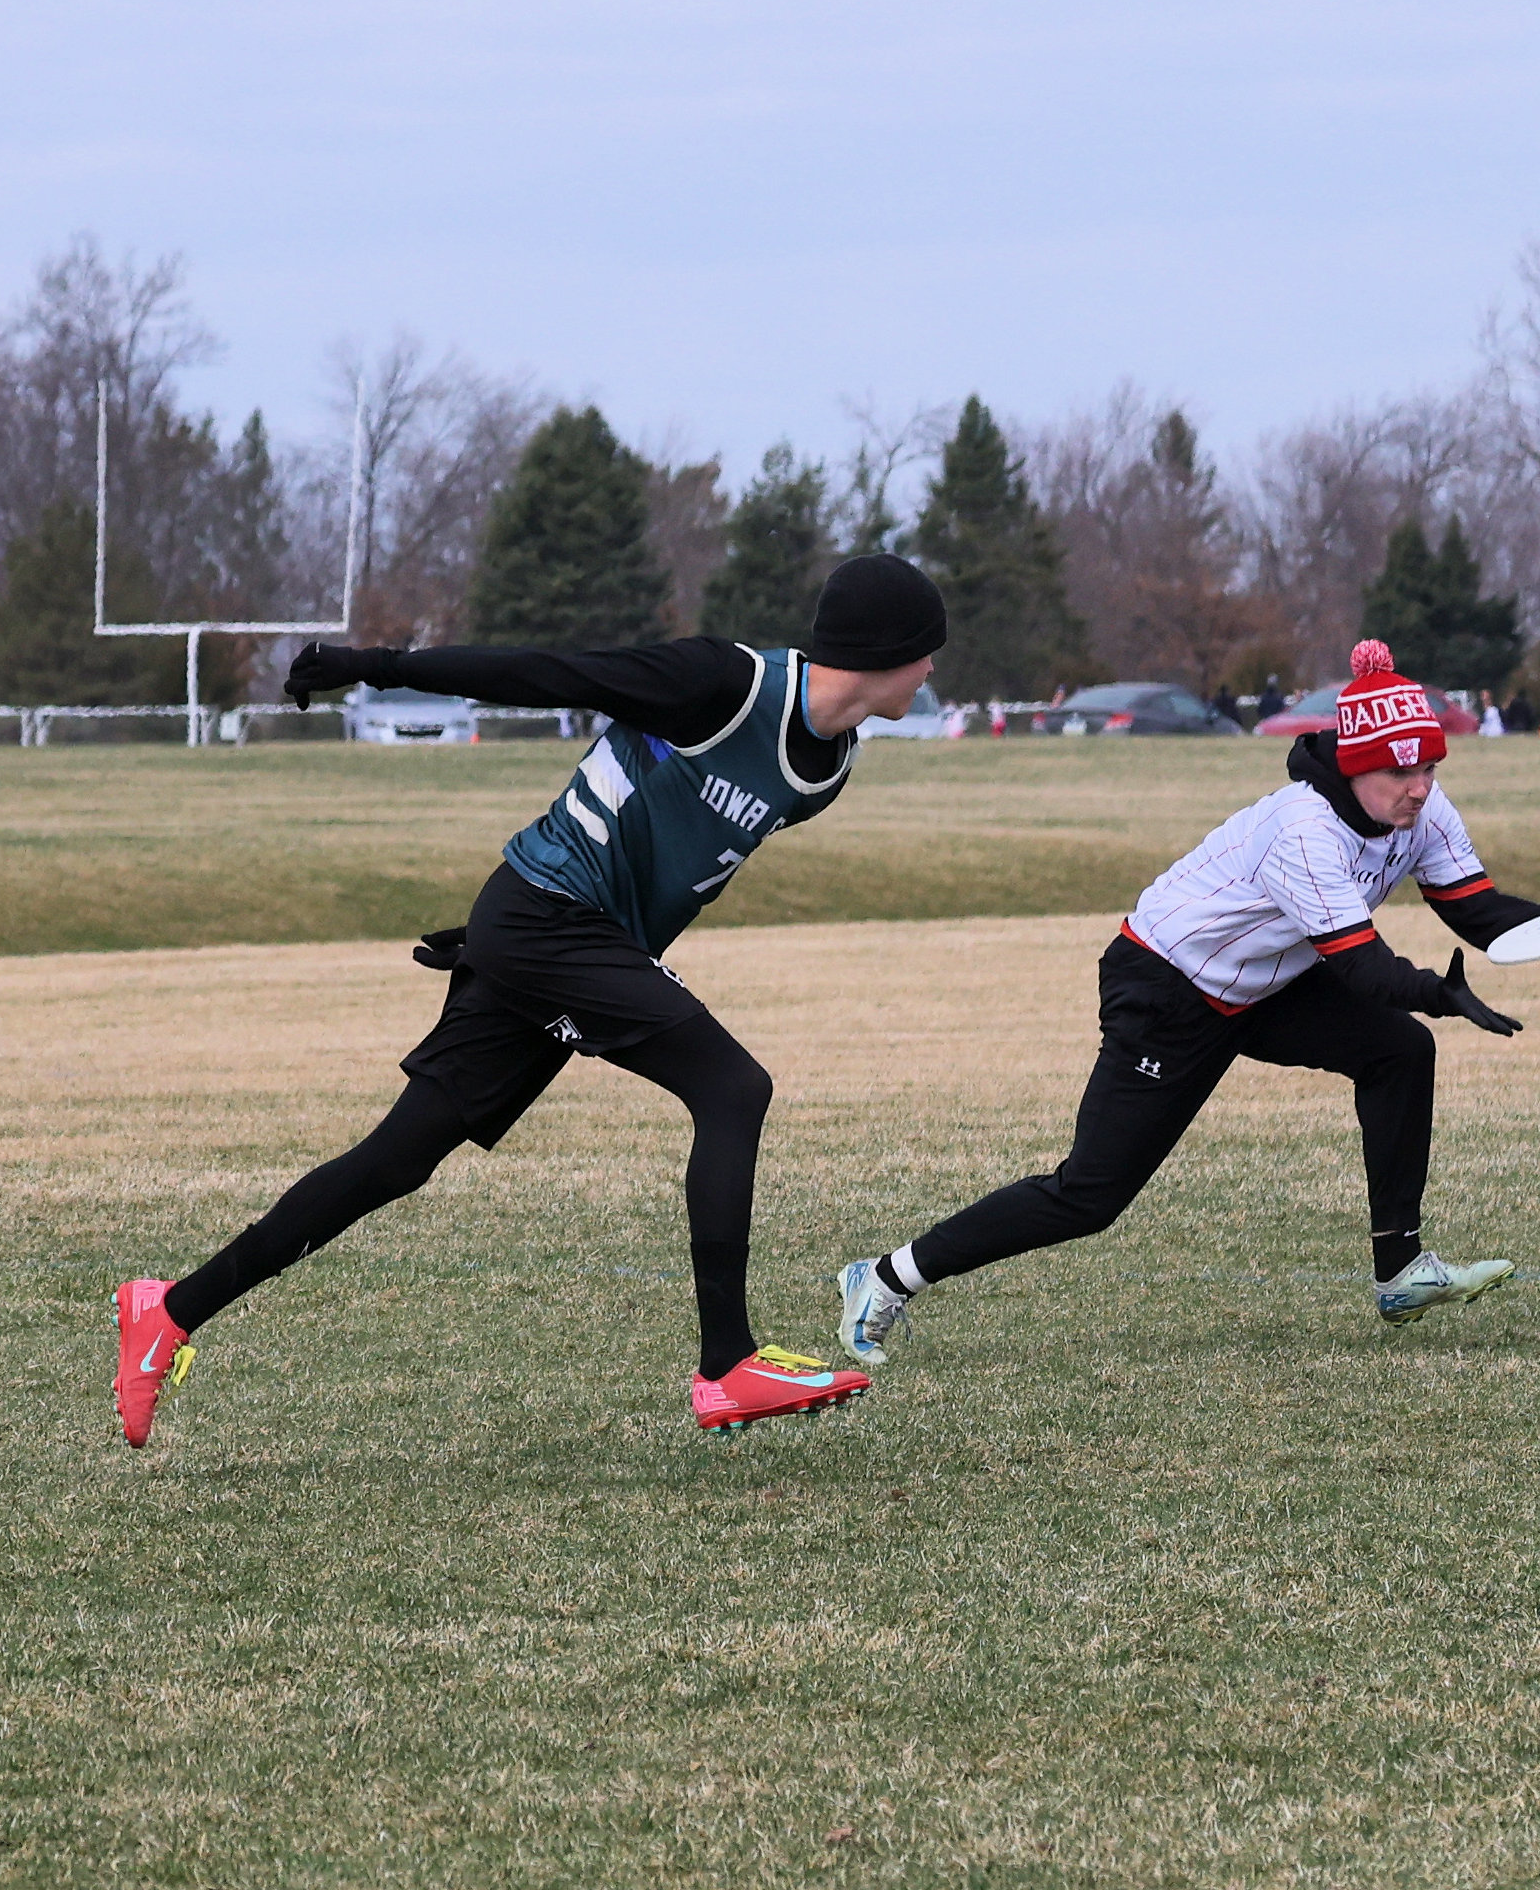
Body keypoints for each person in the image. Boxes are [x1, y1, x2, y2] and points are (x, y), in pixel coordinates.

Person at [110, 554, 947, 1447]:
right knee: (733, 1087)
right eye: (925, 650)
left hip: (548, 936)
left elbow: (657, 861)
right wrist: (377, 666)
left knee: (397, 1160)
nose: (933, 668)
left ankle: (169, 1310)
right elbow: (549, 672)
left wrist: (504, 949)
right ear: (882, 652)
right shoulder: (723, 684)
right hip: (547, 920)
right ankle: (726, 1366)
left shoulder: (826, 769)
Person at [832, 641, 1540, 1368]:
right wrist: (1438, 992)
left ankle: (1399, 1272)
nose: (1420, 789)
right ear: (1353, 767)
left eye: (1429, 769)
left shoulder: (1419, 810)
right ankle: (886, 1275)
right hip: (1167, 985)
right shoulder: (1303, 830)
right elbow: (1365, 970)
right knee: (1088, 1196)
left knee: (1398, 1050)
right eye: (1401, 774)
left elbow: (1475, 909)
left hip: (1265, 982)